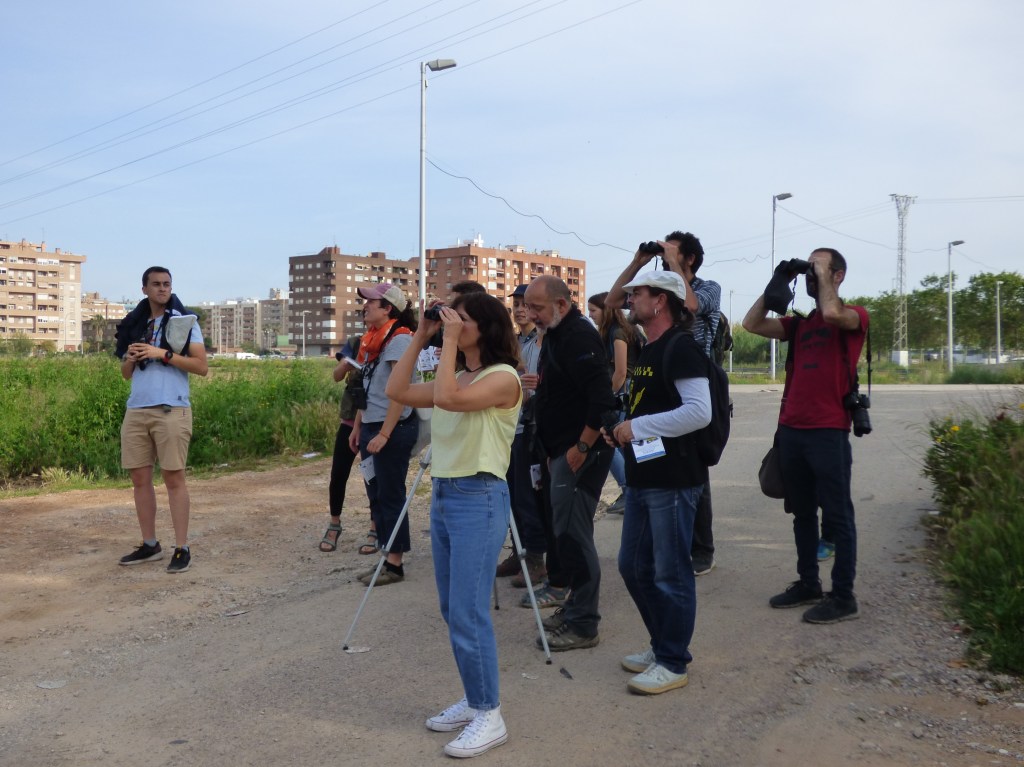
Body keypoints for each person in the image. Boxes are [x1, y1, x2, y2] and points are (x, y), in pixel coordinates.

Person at [386, 292, 521, 759]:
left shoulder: (503, 379)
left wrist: (444, 340)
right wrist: (421, 334)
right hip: (445, 495)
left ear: (484, 327)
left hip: (479, 498)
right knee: (452, 608)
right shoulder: (458, 372)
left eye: (460, 319)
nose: (452, 324)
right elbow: (397, 392)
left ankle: (490, 713)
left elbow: (446, 398)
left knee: (469, 611)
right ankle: (474, 698)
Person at [742, 247, 868, 624]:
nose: (812, 274)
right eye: (809, 268)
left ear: (838, 275)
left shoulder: (854, 317)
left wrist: (821, 273)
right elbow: (751, 323)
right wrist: (778, 279)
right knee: (801, 514)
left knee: (838, 515)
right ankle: (809, 582)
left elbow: (831, 311)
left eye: (820, 268)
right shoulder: (799, 326)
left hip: (828, 431)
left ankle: (844, 596)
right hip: (792, 432)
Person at [602, 270, 711, 695]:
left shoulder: (682, 347)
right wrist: (625, 427)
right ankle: (661, 644)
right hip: (645, 476)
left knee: (670, 572)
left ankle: (673, 661)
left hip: (674, 479)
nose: (630, 299)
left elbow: (699, 412)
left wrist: (640, 425)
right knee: (633, 566)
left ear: (661, 301)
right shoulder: (649, 347)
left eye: (639, 293)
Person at [607, 231, 721, 576]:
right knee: (660, 461)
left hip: (693, 376)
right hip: (660, 378)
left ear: (689, 258)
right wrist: (638, 262)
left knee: (690, 468)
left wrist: (672, 266)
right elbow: (614, 300)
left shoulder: (707, 287)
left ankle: (701, 547)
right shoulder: (652, 303)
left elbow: (689, 306)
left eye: (673, 249)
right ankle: (671, 543)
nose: (663, 252)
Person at [523, 276, 617, 650]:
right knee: (564, 532)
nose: (531, 315)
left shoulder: (578, 335)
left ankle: (584, 623)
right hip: (560, 450)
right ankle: (576, 607)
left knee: (574, 536)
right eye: (528, 307)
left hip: (581, 452)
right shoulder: (557, 334)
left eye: (537, 308)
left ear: (561, 305)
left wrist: (580, 447)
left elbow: (602, 400)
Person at [117, 266, 208, 573]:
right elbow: (125, 374)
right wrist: (130, 360)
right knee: (140, 480)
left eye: (166, 284)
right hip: (137, 409)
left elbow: (201, 366)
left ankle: (182, 548)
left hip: (172, 409)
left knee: (174, 479)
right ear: (144, 289)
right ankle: (150, 544)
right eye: (155, 284)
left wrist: (162, 354)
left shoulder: (184, 323)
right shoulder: (135, 326)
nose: (162, 289)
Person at [348, 283, 419, 586]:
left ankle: (395, 562)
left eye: (371, 302)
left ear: (388, 308)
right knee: (376, 493)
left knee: (390, 494)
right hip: (372, 426)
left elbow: (399, 395)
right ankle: (386, 553)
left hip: (392, 428)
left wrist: (385, 434)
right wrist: (358, 425)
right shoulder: (373, 340)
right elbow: (369, 389)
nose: (364, 306)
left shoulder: (400, 341)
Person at [495, 284, 548, 588]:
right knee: (512, 495)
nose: (519, 310)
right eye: (515, 304)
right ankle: (520, 551)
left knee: (528, 496)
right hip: (510, 425)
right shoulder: (514, 341)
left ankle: (536, 559)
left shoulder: (542, 341)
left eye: (524, 305)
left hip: (530, 426)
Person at [587, 291, 642, 515]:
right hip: (626, 391)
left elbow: (620, 372)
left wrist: (606, 398)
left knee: (610, 442)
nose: (590, 315)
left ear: (607, 309)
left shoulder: (618, 332)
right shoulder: (619, 329)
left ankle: (628, 490)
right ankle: (631, 490)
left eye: (593, 310)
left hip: (623, 392)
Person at [319, 334, 362, 553]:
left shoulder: (393, 341)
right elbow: (336, 376)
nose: (366, 314)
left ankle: (375, 526)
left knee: (374, 478)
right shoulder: (356, 343)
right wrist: (345, 366)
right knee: (338, 474)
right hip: (349, 419)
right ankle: (334, 523)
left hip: (374, 420)